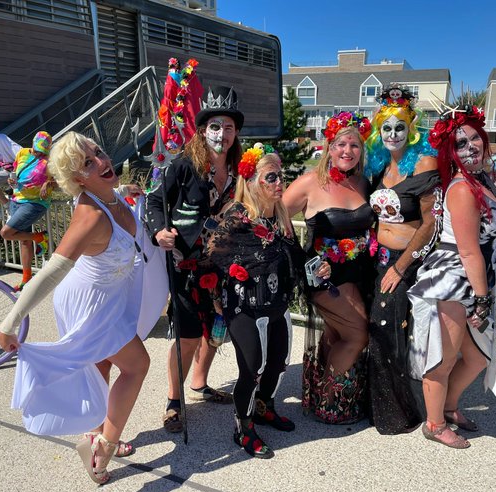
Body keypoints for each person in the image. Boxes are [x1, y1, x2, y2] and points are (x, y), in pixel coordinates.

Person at [0, 132, 158, 484]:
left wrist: (125, 191)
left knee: (101, 363)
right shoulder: (91, 217)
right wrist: (11, 321)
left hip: (107, 295)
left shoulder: (109, 195)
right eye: (88, 163)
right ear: (78, 179)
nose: (101, 161)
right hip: (89, 303)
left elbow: (115, 201)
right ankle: (104, 448)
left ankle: (94, 432)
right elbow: (52, 271)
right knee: (137, 365)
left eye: (98, 152)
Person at [408, 105, 496, 449]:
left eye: (474, 138)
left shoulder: (483, 179)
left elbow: (488, 243)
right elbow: (468, 251)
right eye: (460, 143)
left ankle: (449, 408)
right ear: (451, 152)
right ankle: (434, 424)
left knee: (479, 357)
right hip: (453, 279)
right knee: (444, 358)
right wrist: (483, 298)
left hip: (478, 275)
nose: (470, 147)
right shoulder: (463, 188)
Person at [145, 85, 244, 432]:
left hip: (223, 264)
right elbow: (154, 200)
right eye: (215, 126)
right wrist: (159, 231)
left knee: (216, 330)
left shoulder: (239, 169)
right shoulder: (185, 165)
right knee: (187, 337)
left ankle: (199, 383)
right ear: (203, 130)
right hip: (186, 264)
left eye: (229, 127)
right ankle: (174, 401)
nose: (222, 134)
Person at [208, 144, 309, 458]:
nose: (280, 183)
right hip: (244, 306)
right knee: (252, 368)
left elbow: (294, 255)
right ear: (251, 182)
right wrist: (216, 295)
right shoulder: (238, 215)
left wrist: (316, 265)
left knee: (278, 363)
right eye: (271, 177)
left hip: (276, 303)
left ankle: (265, 408)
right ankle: (243, 428)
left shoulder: (280, 216)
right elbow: (211, 257)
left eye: (281, 176)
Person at [283, 111, 375, 424]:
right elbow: (274, 215)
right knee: (358, 335)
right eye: (341, 144)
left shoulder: (363, 183)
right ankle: (328, 400)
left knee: (337, 333)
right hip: (323, 279)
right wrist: (299, 258)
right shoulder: (311, 183)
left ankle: (320, 397)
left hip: (358, 275)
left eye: (354, 145)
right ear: (329, 147)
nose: (347, 151)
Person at [364, 84, 441, 434]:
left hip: (405, 262)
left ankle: (397, 414)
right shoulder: (380, 165)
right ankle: (378, 405)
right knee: (381, 330)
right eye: (386, 128)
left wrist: (400, 266)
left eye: (400, 127)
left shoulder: (423, 164)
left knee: (387, 330)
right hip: (377, 259)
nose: (393, 134)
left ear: (411, 129)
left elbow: (430, 223)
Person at [0, 131, 54, 292]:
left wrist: (48, 183)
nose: (39, 154)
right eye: (37, 150)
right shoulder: (22, 153)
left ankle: (40, 237)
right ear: (33, 145)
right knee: (24, 240)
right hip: (16, 199)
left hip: (35, 203)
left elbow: (60, 180)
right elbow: (16, 172)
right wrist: (11, 180)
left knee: (5, 233)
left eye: (42, 152)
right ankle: (26, 278)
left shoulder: (50, 161)